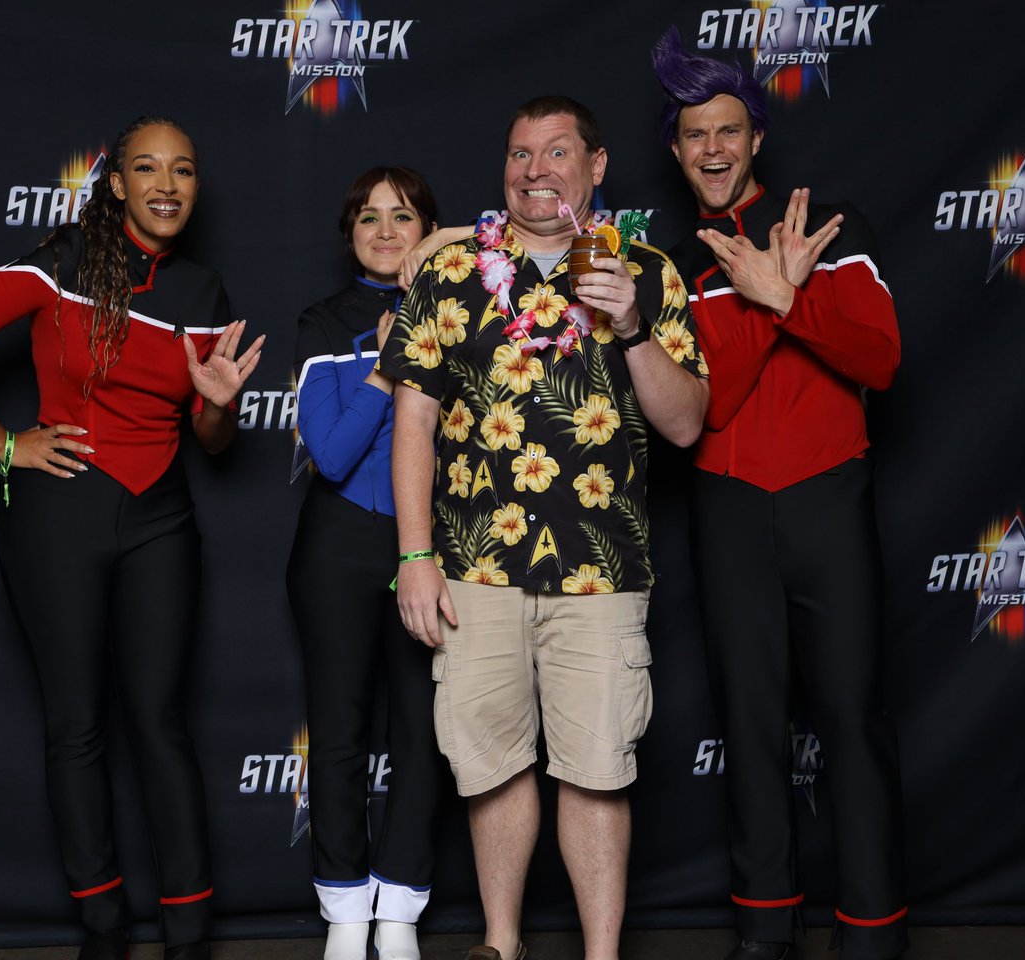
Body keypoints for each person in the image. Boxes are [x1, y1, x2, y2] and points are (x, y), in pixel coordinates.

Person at [0, 116, 263, 960]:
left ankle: (187, 932)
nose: (167, 185)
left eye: (182, 170)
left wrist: (216, 403)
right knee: (76, 726)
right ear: (117, 184)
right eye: (147, 168)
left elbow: (212, 443)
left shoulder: (205, 292)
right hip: (57, 517)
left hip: (160, 520)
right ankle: (102, 926)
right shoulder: (56, 265)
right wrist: (4, 445)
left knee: (160, 721)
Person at [380, 96, 709, 960]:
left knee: (597, 768)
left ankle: (601, 956)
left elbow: (684, 424)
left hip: (602, 572)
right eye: (520, 154)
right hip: (475, 568)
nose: (535, 171)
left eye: (557, 152)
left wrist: (632, 325)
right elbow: (412, 421)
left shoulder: (649, 271)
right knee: (490, 764)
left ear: (595, 168)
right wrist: (415, 556)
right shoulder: (452, 274)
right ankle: (502, 944)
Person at [652, 28, 907, 960]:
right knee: (749, 726)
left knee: (851, 718)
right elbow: (705, 412)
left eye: (728, 130)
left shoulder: (831, 227)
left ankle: (874, 931)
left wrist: (792, 294)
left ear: (756, 137)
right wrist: (768, 300)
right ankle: (765, 931)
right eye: (694, 135)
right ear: (676, 151)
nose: (713, 149)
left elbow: (879, 360)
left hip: (828, 503)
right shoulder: (672, 270)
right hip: (727, 513)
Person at [286, 167, 471, 960]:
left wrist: (450, 254)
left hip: (430, 547)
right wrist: (388, 362)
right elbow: (327, 455)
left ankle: (399, 908)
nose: (387, 231)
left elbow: (523, 231)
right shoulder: (325, 321)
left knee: (426, 732)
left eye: (406, 217)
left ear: (431, 227)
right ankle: (345, 912)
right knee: (338, 733)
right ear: (349, 233)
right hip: (338, 545)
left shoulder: (467, 306)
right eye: (369, 217)